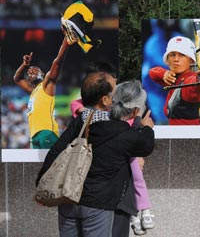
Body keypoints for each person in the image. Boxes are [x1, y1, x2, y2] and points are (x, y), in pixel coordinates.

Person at [36, 74, 155, 237]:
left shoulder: (83, 120)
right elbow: (146, 146)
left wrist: (41, 184)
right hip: (99, 205)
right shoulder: (125, 133)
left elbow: (56, 151)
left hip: (68, 198)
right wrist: (147, 127)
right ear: (135, 110)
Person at [13, 32, 74, 149]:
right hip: (34, 136)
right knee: (35, 168)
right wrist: (24, 65)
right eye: (29, 72)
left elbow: (57, 62)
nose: (30, 71)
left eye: (35, 70)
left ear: (43, 74)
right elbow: (17, 79)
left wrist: (67, 39)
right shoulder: (33, 91)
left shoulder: (47, 85)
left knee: (51, 166)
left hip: (47, 132)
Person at [149, 36, 200, 125]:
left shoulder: (190, 80)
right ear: (167, 60)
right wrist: (164, 74)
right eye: (172, 55)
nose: (176, 59)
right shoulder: (173, 78)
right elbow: (152, 72)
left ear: (191, 61)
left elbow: (194, 84)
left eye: (182, 55)